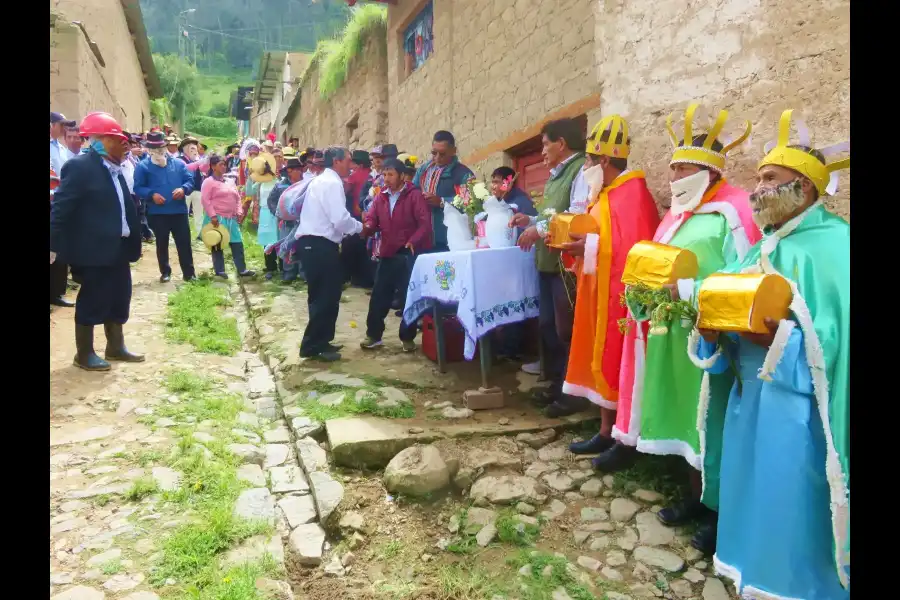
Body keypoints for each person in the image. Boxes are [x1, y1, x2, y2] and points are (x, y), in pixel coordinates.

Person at [693, 109, 849, 597]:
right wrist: (710, 328)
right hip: (747, 395)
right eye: (757, 178)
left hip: (795, 407)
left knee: (790, 492)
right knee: (752, 485)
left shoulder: (836, 246)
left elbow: (836, 337)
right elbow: (726, 299)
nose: (756, 189)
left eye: (768, 179)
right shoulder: (759, 246)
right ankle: (749, 569)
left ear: (802, 188)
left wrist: (778, 338)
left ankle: (795, 584)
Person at [608, 104, 762, 554]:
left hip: (711, 336)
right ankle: (694, 495)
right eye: (672, 167)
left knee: (712, 421)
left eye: (683, 167)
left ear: (709, 170)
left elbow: (744, 273)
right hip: (670, 332)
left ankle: (722, 512)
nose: (674, 176)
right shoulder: (678, 212)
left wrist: (692, 290)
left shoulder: (733, 211)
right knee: (684, 418)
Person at [554, 116, 661, 465]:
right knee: (597, 358)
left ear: (602, 160)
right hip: (596, 288)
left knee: (618, 360)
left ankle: (623, 439)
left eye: (586, 160)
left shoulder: (633, 195)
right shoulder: (605, 194)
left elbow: (635, 247)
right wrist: (578, 247)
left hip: (619, 297)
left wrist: (590, 245)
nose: (584, 167)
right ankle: (604, 431)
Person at [50, 112, 144, 371]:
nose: (125, 144)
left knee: (119, 296)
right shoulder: (80, 168)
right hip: (94, 248)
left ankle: (115, 345)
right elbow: (61, 208)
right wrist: (53, 244)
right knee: (93, 298)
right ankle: (84, 353)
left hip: (119, 248)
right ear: (99, 141)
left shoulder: (116, 169)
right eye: (117, 139)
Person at [509, 118, 588, 417]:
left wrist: (539, 230)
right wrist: (529, 221)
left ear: (561, 144)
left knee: (565, 329)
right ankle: (556, 385)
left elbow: (575, 214)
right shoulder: (557, 174)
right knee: (548, 327)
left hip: (564, 262)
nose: (542, 151)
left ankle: (572, 394)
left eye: (544, 144)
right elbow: (550, 214)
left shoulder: (580, 170)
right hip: (547, 260)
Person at [295, 147, 363, 361]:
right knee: (325, 296)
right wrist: (361, 228)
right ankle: (313, 345)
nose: (351, 166)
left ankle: (322, 340)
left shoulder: (322, 180)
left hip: (313, 245)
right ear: (337, 161)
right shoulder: (332, 183)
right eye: (348, 161)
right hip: (319, 244)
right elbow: (340, 220)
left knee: (323, 295)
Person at [360, 158, 432, 351]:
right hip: (387, 253)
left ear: (402, 176)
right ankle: (373, 335)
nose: (386, 179)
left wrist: (413, 241)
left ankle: (407, 338)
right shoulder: (380, 197)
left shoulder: (414, 195)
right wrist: (365, 227)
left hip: (408, 254)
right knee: (379, 296)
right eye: (384, 174)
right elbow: (372, 220)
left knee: (409, 297)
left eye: (390, 174)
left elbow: (425, 223)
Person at [134, 130, 197, 283]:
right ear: (149, 149)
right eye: (154, 149)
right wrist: (151, 194)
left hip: (179, 211)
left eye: (161, 148)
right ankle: (165, 271)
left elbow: (190, 180)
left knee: (184, 242)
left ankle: (189, 273)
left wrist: (183, 189)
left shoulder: (178, 164)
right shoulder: (143, 166)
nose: (158, 151)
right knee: (162, 243)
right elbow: (138, 187)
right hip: (158, 213)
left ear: (165, 147)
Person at [489, 165, 538, 359]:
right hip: (504, 263)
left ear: (508, 182)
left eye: (498, 181)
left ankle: (513, 348)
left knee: (515, 302)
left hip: (519, 262)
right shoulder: (499, 203)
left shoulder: (519, 203)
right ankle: (505, 346)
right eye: (492, 181)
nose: (493, 186)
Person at [413, 132, 475, 253]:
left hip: (449, 241)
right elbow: (413, 192)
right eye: (434, 153)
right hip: (423, 239)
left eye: (442, 154)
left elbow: (470, 203)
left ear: (453, 151)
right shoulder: (424, 170)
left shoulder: (463, 174)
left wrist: (442, 202)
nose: (437, 157)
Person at [201, 153, 256, 279]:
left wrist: (239, 211)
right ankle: (219, 271)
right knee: (217, 243)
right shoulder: (208, 182)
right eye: (221, 165)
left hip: (232, 218)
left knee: (237, 243)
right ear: (213, 166)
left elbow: (237, 198)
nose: (224, 167)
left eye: (225, 164)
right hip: (217, 218)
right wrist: (213, 216)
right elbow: (205, 200)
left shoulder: (230, 181)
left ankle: (242, 269)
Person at [267, 154, 306, 282]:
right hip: (286, 222)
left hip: (302, 222)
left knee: (302, 246)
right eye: (297, 169)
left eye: (301, 169)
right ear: (289, 171)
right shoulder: (280, 185)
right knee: (286, 245)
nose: (300, 172)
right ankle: (289, 273)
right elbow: (271, 200)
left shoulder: (306, 184)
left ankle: (303, 273)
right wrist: (278, 213)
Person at [342, 150, 375, 288]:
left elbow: (344, 190)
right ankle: (366, 278)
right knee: (366, 248)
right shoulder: (371, 175)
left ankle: (353, 277)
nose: (350, 166)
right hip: (369, 215)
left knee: (352, 247)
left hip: (355, 214)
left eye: (352, 163)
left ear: (359, 164)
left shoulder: (355, 175)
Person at [246, 151, 281, 280]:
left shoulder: (278, 181)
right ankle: (270, 266)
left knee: (278, 237)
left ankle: (282, 265)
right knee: (267, 239)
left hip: (276, 212)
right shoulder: (260, 182)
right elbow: (249, 191)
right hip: (264, 212)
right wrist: (250, 178)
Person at [178, 136, 205, 233]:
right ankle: (183, 233)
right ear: (185, 149)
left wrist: (206, 162)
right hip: (185, 190)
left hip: (198, 189)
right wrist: (199, 162)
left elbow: (204, 170)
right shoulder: (180, 159)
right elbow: (187, 168)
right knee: (184, 214)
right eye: (192, 148)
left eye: (195, 147)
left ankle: (200, 233)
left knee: (199, 213)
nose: (195, 150)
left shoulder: (197, 159)